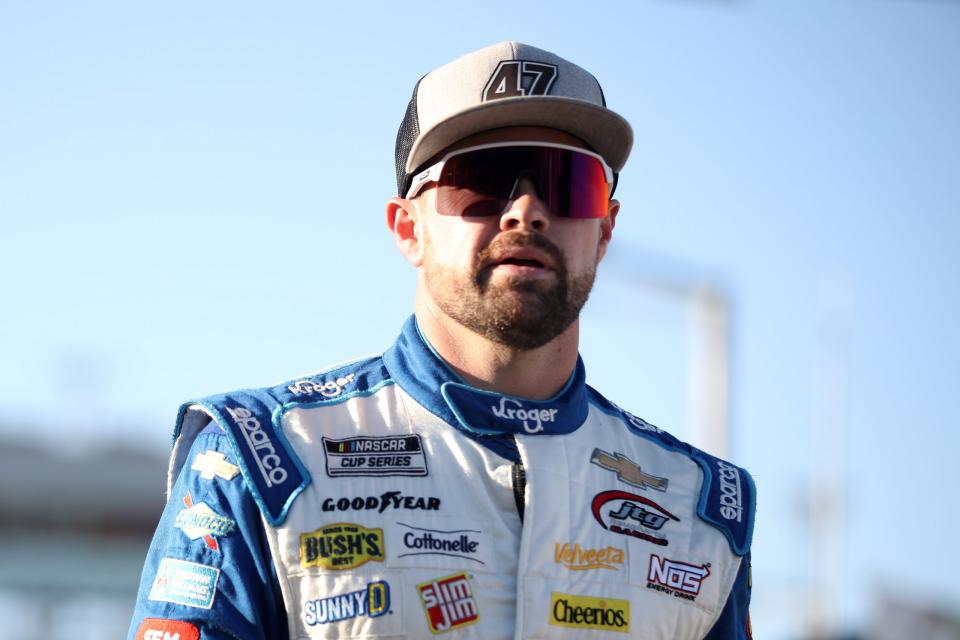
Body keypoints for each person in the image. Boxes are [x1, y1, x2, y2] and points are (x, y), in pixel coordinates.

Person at [128, 41, 755, 640]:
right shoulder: (260, 457)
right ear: (408, 229)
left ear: (605, 228)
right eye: (481, 179)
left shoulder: (702, 508)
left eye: (568, 183)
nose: (527, 212)